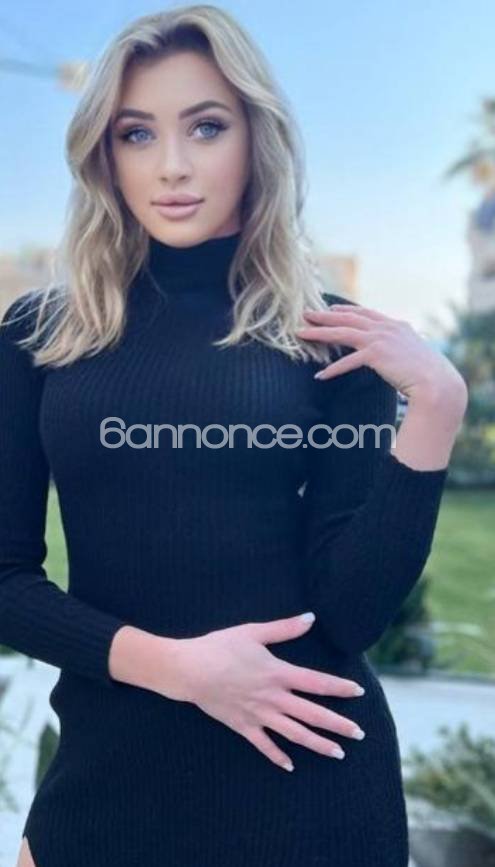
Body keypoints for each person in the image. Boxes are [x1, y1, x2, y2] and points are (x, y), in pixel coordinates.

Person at [0, 6, 468, 867]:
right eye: (137, 133)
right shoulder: (40, 334)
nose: (171, 165)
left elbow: (352, 612)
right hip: (108, 783)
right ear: (104, 153)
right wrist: (181, 669)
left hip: (306, 784)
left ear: (257, 138)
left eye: (206, 126)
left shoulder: (332, 337)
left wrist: (436, 408)